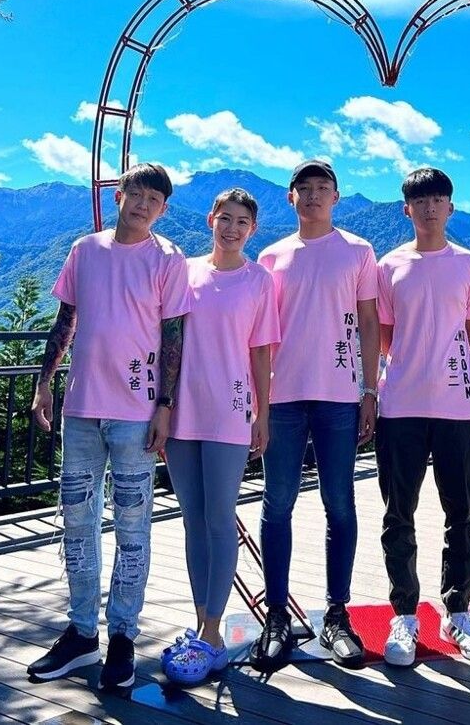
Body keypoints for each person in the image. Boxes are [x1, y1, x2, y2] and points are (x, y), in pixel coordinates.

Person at [27, 162, 189, 691]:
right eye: (136, 194)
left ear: (163, 210)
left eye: (154, 200)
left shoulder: (168, 259)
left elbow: (173, 337)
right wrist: (44, 382)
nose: (143, 205)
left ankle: (123, 634)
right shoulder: (85, 250)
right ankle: (81, 632)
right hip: (80, 408)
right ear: (119, 196)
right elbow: (65, 321)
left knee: (133, 528)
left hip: (137, 411)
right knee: (76, 522)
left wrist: (165, 405)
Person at [251, 159, 379, 672]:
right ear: (290, 197)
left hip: (339, 395)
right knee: (276, 502)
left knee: (339, 504)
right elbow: (260, 333)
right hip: (282, 396)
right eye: (303, 188)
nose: (312, 196)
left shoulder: (358, 251)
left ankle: (337, 614)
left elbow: (368, 320)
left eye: (322, 188)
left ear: (336, 197)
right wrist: (257, 401)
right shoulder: (271, 255)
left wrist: (369, 390)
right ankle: (276, 616)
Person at [161, 188, 280, 685]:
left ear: (253, 229)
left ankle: (212, 632)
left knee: (219, 518)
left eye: (242, 222)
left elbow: (260, 352)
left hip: (230, 410)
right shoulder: (184, 272)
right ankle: (201, 624)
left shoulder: (259, 280)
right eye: (225, 218)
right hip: (180, 410)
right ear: (210, 219)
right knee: (192, 519)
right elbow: (166, 338)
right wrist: (160, 405)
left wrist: (262, 414)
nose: (232, 228)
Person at [376, 167, 470, 667]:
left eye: (437, 199)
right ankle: (404, 614)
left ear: (450, 207)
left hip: (457, 406)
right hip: (400, 404)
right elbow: (385, 337)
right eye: (420, 201)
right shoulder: (389, 266)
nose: (429, 208)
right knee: (398, 513)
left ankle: (457, 610)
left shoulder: (469, 264)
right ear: (407, 209)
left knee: (461, 512)